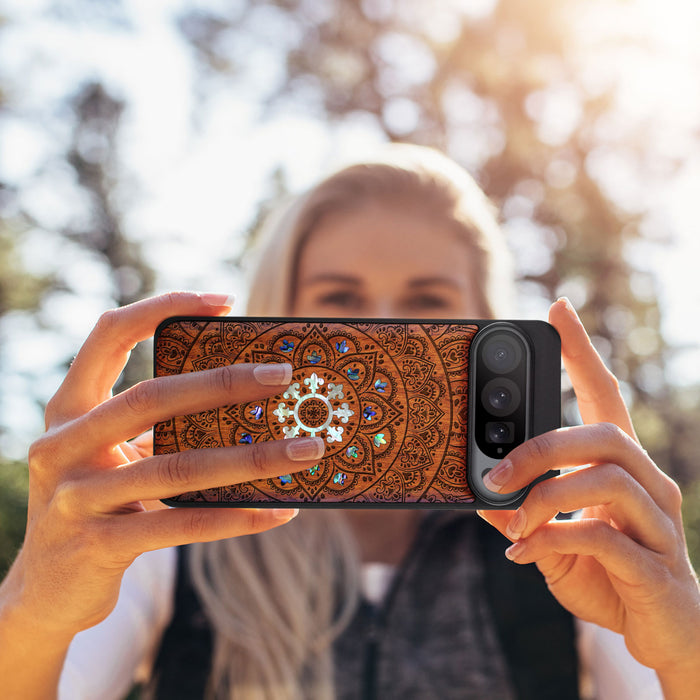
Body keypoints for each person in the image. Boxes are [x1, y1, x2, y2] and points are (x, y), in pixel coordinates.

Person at [0, 145, 698, 700]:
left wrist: (685, 648)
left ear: (487, 324)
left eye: (428, 302)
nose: (385, 329)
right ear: (279, 317)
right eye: (340, 298)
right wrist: (34, 607)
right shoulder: (171, 535)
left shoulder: (567, 544)